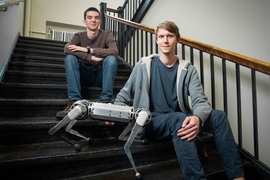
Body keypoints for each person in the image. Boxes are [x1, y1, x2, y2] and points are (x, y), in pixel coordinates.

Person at [112, 21, 245, 180]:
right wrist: (114, 113)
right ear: (156, 40)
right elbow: (123, 96)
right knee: (179, 118)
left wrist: (196, 118)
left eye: (170, 36)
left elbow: (200, 101)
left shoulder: (188, 69)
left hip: (179, 122)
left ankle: (237, 176)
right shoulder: (142, 66)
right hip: (152, 122)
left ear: (178, 39)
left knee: (219, 116)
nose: (165, 40)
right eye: (161, 36)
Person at [56, 7, 118, 120]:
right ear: (84, 21)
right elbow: (67, 49)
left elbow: (114, 51)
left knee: (111, 59)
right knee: (70, 58)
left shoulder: (106, 34)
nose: (93, 20)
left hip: (100, 75)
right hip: (82, 75)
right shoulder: (78, 36)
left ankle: (106, 101)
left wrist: (87, 50)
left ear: (100, 21)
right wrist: (90, 58)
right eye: (89, 18)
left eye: (96, 18)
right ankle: (75, 102)